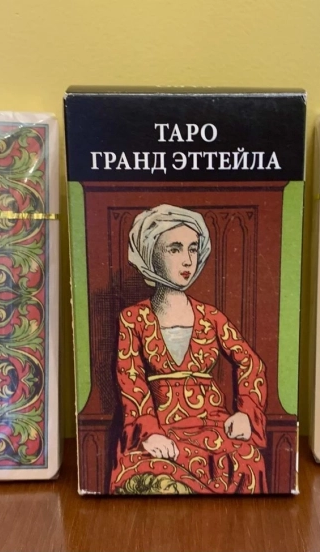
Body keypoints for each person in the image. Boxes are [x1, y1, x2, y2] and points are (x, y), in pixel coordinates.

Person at [110, 204, 268, 494]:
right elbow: (130, 378)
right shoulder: (133, 318)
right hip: (159, 427)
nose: (187, 260)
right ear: (151, 253)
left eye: (193, 249)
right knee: (145, 471)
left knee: (248, 460)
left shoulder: (211, 316)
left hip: (214, 425)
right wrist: (148, 432)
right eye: (175, 249)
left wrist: (245, 413)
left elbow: (251, 363)